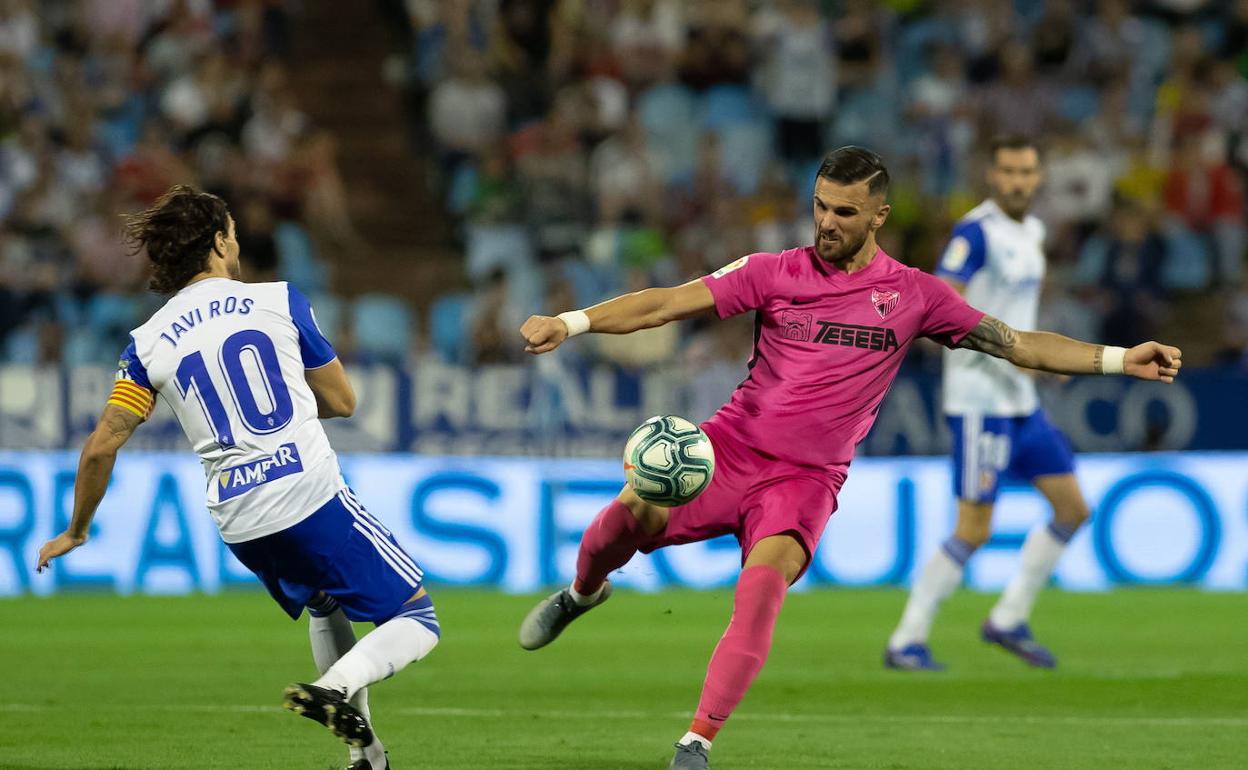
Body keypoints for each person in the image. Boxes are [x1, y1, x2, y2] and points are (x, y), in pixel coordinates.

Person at [516, 146, 1182, 770]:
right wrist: (571, 323)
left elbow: (1018, 344)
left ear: (878, 216)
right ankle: (583, 593)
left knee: (760, 589)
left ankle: (697, 741)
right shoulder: (770, 272)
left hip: (805, 481)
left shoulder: (915, 295)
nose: (826, 223)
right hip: (729, 450)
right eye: (819, 206)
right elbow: (666, 304)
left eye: (843, 212)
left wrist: (1122, 359)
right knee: (625, 514)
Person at [34, 185, 438, 770]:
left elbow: (101, 446)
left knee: (326, 604)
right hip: (308, 494)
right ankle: (334, 689)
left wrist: (76, 529)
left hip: (240, 520)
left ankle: (366, 757)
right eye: (234, 233)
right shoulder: (279, 300)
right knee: (417, 619)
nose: (240, 242)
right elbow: (343, 400)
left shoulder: (147, 344)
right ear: (220, 241)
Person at [884, 135, 1091, 672]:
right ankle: (906, 639)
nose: (1018, 181)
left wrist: (1036, 360)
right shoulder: (974, 234)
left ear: (1038, 176)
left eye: (1027, 171)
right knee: (974, 529)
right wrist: (1007, 353)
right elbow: (938, 301)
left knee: (1072, 509)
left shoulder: (1035, 230)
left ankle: (1008, 619)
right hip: (979, 400)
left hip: (1021, 400)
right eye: (1009, 171)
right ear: (992, 176)